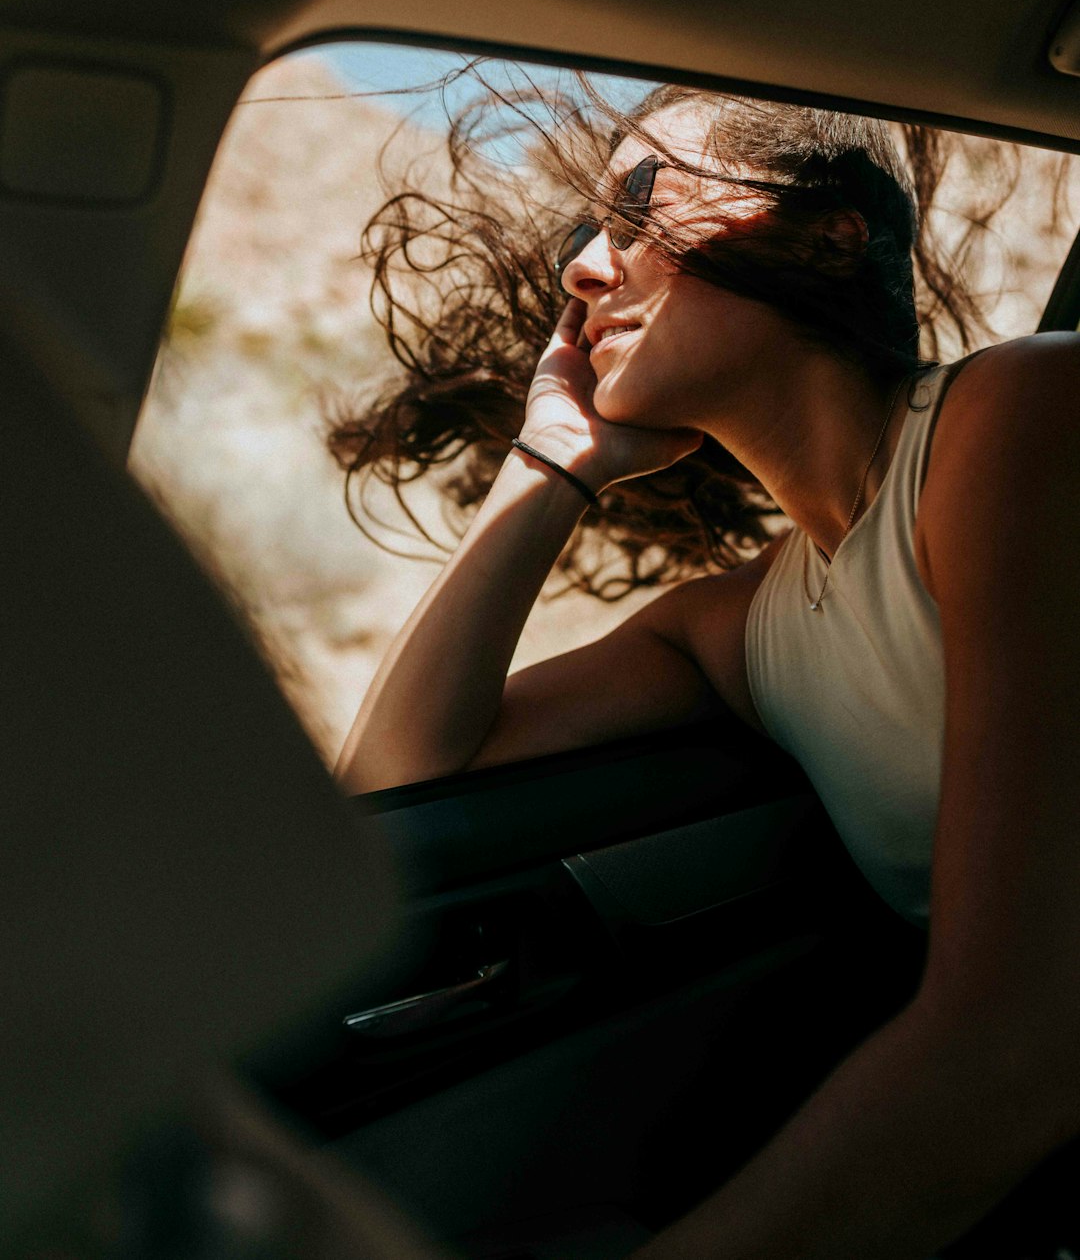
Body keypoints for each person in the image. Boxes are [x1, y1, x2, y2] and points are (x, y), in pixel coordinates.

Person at [332, 83, 1080, 1259]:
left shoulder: (1023, 409)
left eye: (638, 208)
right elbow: (404, 777)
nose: (585, 265)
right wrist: (549, 468)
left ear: (828, 229)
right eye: (590, 229)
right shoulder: (741, 624)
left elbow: (1021, 1035)